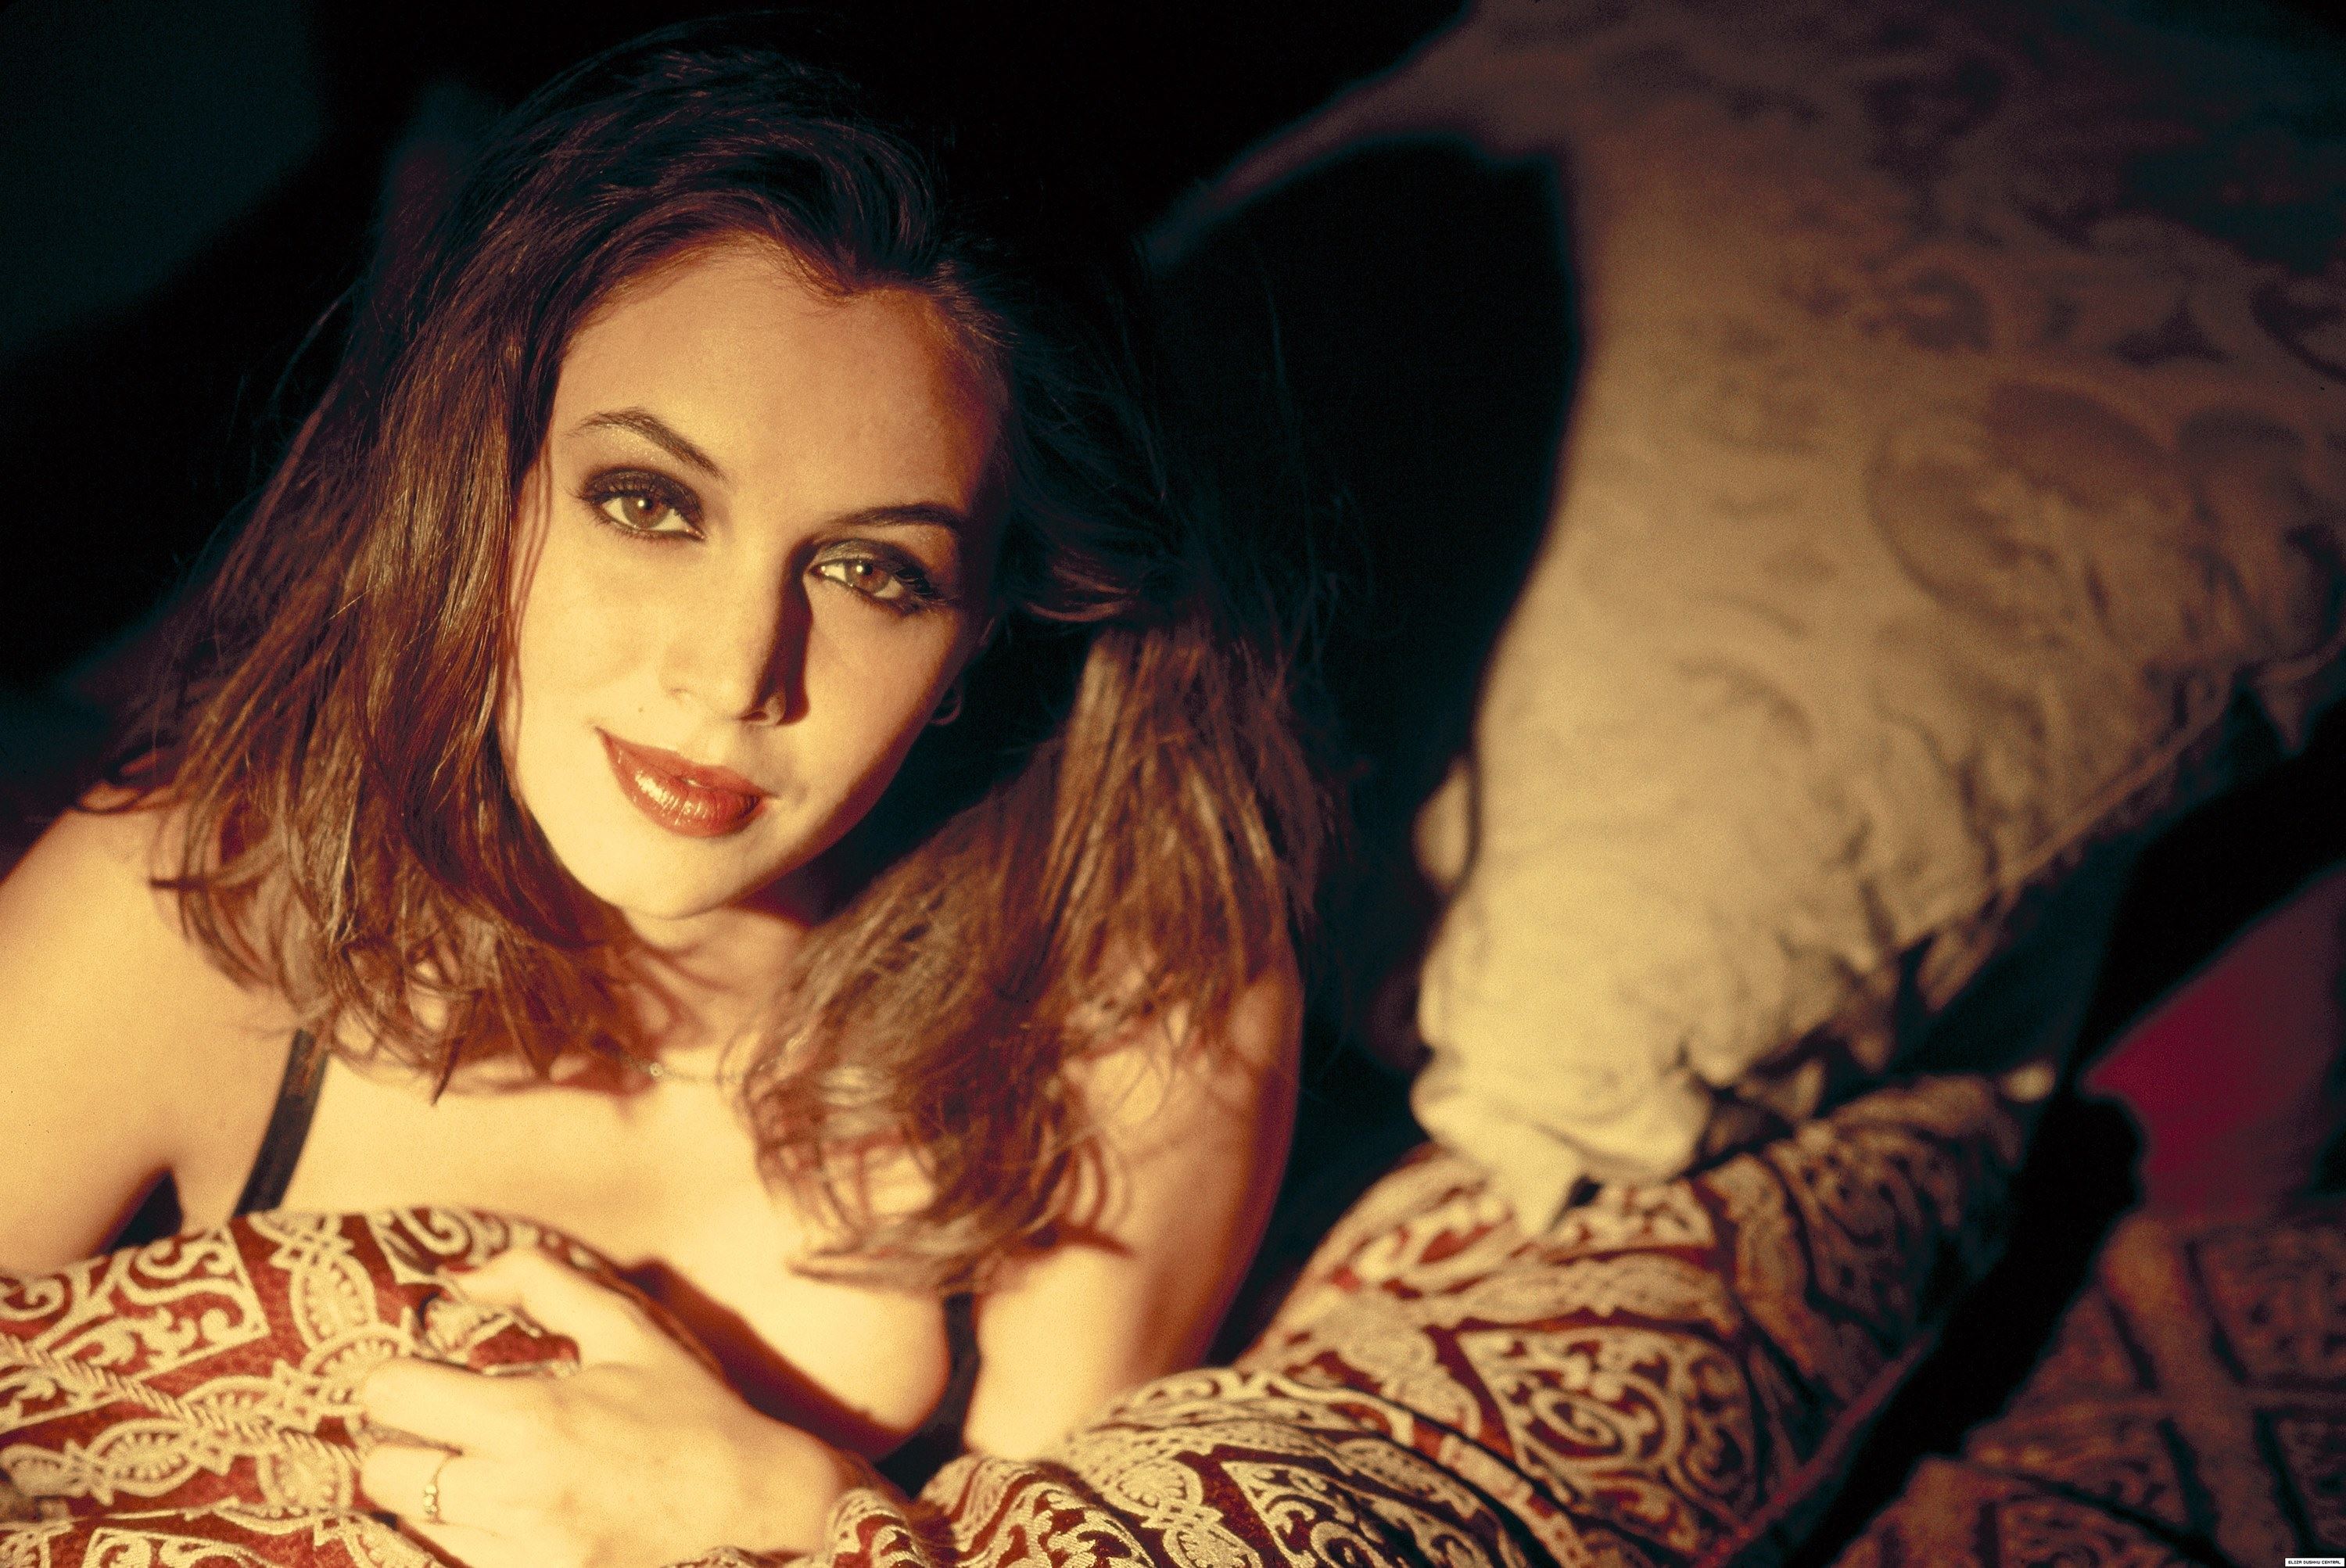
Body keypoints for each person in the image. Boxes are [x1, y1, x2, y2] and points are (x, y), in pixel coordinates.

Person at [0, 26, 1325, 1566]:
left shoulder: (1134, 1008)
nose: (732, 670)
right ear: (486, 478)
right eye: (648, 502)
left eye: (873, 572)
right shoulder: (190, 908)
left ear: (983, 629)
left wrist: (792, 1511)